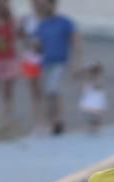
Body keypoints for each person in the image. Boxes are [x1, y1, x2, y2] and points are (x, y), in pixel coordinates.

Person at [35, 0, 82, 134]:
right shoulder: (42, 25)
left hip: (60, 63)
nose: (45, 6)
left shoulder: (64, 22)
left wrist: (76, 62)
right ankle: (53, 122)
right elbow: (38, 46)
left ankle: (58, 121)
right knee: (49, 93)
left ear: (53, 5)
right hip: (46, 63)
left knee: (54, 91)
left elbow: (76, 41)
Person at [19, 0, 45, 127]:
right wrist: (20, 28)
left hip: (44, 58)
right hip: (30, 58)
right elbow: (22, 38)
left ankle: (47, 119)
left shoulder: (47, 18)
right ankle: (38, 121)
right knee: (34, 91)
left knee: (44, 90)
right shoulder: (27, 18)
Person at [77, 62, 108, 132]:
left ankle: (95, 126)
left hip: (96, 102)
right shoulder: (86, 80)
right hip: (89, 101)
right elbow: (82, 87)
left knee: (96, 117)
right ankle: (91, 126)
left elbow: (98, 85)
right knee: (89, 117)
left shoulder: (99, 80)